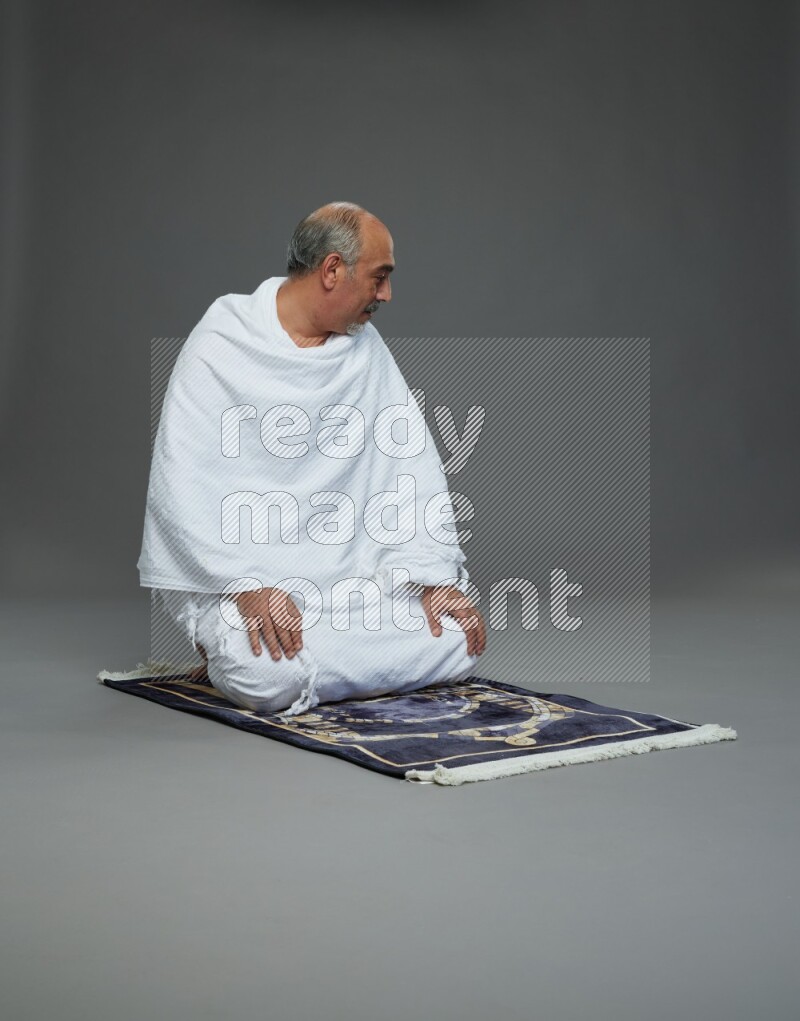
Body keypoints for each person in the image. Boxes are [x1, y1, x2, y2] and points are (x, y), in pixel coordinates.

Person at [138, 201, 486, 717]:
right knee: (265, 677)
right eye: (380, 277)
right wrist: (246, 585)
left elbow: (410, 469)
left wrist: (433, 579)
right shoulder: (222, 339)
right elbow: (181, 483)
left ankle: (319, 664)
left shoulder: (366, 350)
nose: (386, 294)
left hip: (353, 581)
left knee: (459, 635)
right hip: (245, 582)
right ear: (331, 270)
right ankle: (266, 654)